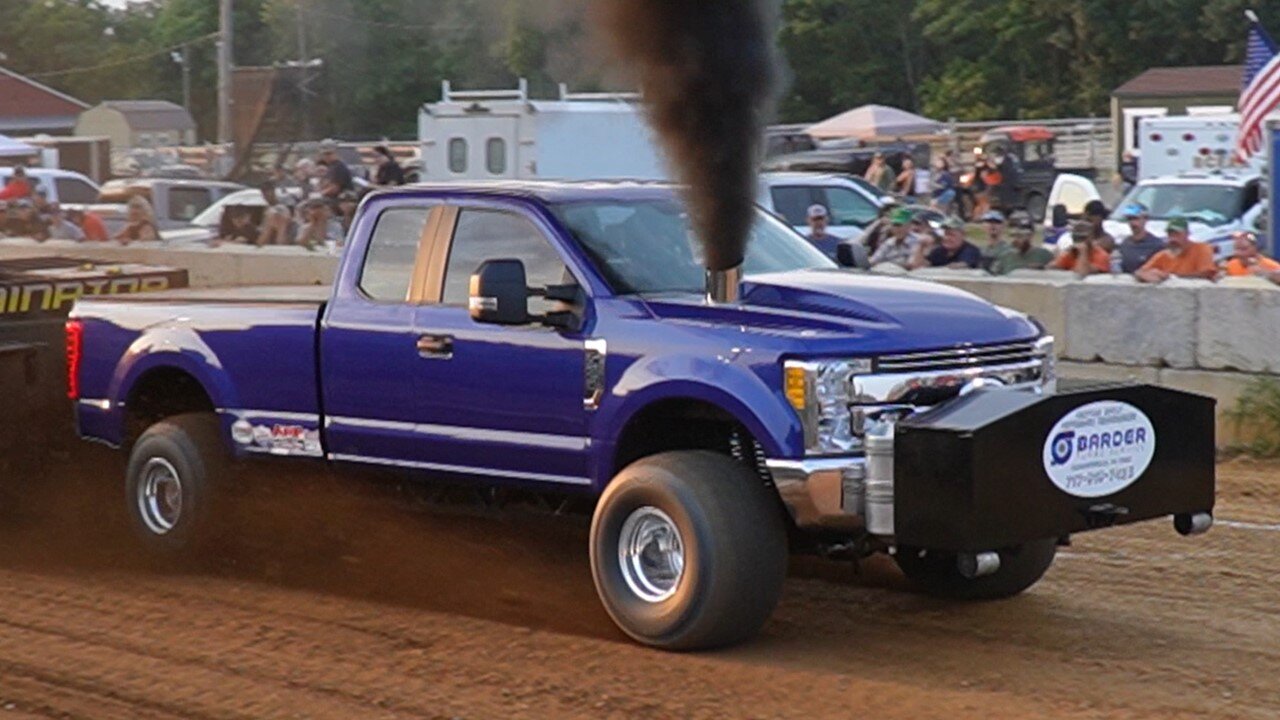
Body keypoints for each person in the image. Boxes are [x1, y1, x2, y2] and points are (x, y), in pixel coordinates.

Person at [1135, 216, 1217, 283]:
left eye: (1177, 234)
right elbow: (1140, 272)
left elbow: (1207, 274)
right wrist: (1148, 276)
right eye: (1170, 234)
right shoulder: (1163, 255)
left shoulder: (1202, 249)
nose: (1173, 239)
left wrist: (1171, 277)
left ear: (1187, 234)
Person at [989, 214, 1054, 275]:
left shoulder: (1044, 255)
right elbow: (993, 278)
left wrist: (1043, 269)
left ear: (1030, 236)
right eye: (1013, 236)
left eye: (1020, 236)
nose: (1016, 240)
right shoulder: (1004, 257)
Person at [912, 216, 982, 269]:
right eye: (945, 234)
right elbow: (918, 267)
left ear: (963, 236)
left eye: (952, 235)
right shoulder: (939, 251)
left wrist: (939, 270)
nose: (947, 238)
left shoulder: (970, 250)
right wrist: (921, 246)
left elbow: (960, 267)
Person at [1114, 204, 1165, 274]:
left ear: (1145, 219)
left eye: (1135, 219)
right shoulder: (1125, 244)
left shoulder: (1157, 245)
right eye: (1129, 219)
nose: (1132, 223)